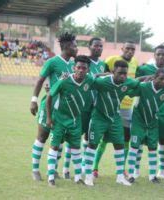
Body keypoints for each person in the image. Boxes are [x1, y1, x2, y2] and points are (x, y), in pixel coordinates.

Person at [30, 32, 77, 181]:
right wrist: (33, 100)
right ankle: (35, 170)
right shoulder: (52, 62)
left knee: (59, 140)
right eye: (75, 46)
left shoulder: (73, 64)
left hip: (64, 109)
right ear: (67, 47)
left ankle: (54, 169)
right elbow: (40, 81)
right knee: (42, 137)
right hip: (49, 106)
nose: (77, 49)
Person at [84, 60, 140, 186]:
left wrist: (150, 78)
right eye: (120, 73)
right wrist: (97, 75)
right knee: (92, 145)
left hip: (115, 117)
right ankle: (88, 176)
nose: (123, 76)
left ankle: (120, 176)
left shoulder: (128, 82)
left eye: (125, 74)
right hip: (98, 117)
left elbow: (138, 83)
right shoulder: (103, 82)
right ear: (113, 72)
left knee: (119, 145)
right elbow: (88, 81)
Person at [62, 37, 108, 179]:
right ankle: (65, 168)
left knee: (88, 137)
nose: (98, 48)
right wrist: (100, 75)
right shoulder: (82, 61)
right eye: (95, 46)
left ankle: (83, 168)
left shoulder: (103, 64)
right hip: (79, 105)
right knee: (73, 136)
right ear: (89, 47)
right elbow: (76, 77)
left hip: (94, 107)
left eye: (100, 46)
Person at [92, 41, 139, 177]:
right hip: (109, 104)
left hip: (127, 106)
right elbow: (105, 76)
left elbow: (134, 82)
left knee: (125, 139)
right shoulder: (112, 60)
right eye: (128, 48)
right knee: (104, 139)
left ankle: (121, 168)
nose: (130, 51)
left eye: (132, 49)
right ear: (122, 48)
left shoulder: (135, 62)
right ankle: (94, 167)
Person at [46, 55, 93, 187]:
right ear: (74, 68)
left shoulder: (89, 80)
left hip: (75, 121)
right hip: (60, 119)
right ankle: (51, 177)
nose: (81, 70)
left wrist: (107, 74)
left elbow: (98, 78)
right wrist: (49, 118)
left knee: (76, 148)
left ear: (88, 70)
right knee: (55, 146)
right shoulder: (64, 80)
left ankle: (78, 178)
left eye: (84, 68)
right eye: (78, 67)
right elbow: (49, 96)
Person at [127, 68, 164, 184]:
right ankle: (131, 174)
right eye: (161, 79)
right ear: (154, 78)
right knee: (134, 147)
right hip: (138, 122)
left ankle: (152, 176)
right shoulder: (143, 87)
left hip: (153, 123)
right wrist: (138, 80)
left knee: (152, 148)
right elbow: (129, 92)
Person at [134, 45, 164, 179]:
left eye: (163, 54)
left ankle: (162, 170)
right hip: (144, 111)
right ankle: (136, 170)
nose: (161, 57)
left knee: (163, 140)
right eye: (158, 54)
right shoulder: (144, 68)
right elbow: (135, 81)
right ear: (154, 55)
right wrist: (148, 77)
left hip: (162, 111)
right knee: (139, 140)